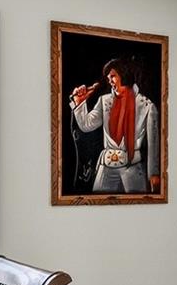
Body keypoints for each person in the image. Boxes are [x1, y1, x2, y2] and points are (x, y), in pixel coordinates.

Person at [69, 58, 161, 194]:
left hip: (133, 168)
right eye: (108, 78)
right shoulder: (104, 101)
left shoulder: (147, 105)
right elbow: (86, 125)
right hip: (106, 167)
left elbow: (153, 144)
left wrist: (154, 174)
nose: (109, 81)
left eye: (112, 76)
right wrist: (79, 103)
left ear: (123, 75)